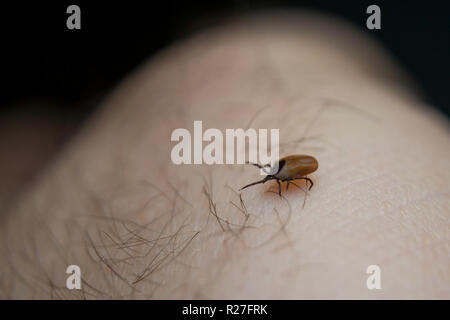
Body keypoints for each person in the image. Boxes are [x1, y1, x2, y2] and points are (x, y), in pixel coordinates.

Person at [1, 11, 448, 299]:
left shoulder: (287, 172)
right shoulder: (286, 169)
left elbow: (297, 171)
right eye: (274, 177)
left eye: (273, 178)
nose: (274, 180)